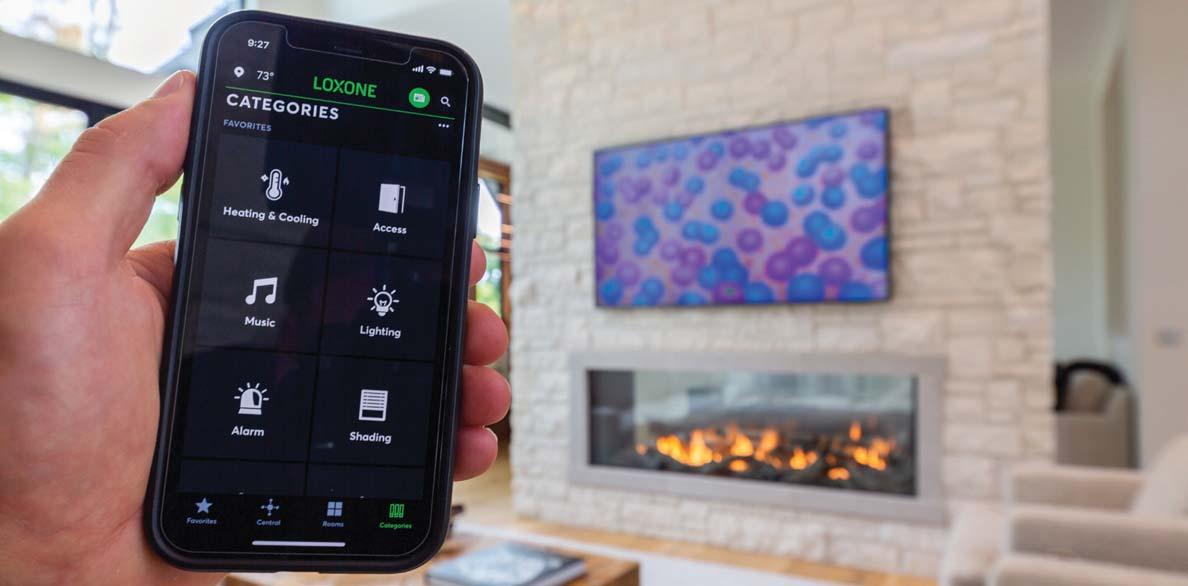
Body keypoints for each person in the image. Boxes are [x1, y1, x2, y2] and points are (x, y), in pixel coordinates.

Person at [0, 71, 510, 585]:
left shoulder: (360, 377)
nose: (368, 295)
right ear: (313, 287)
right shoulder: (209, 370)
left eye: (370, 280)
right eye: (353, 277)